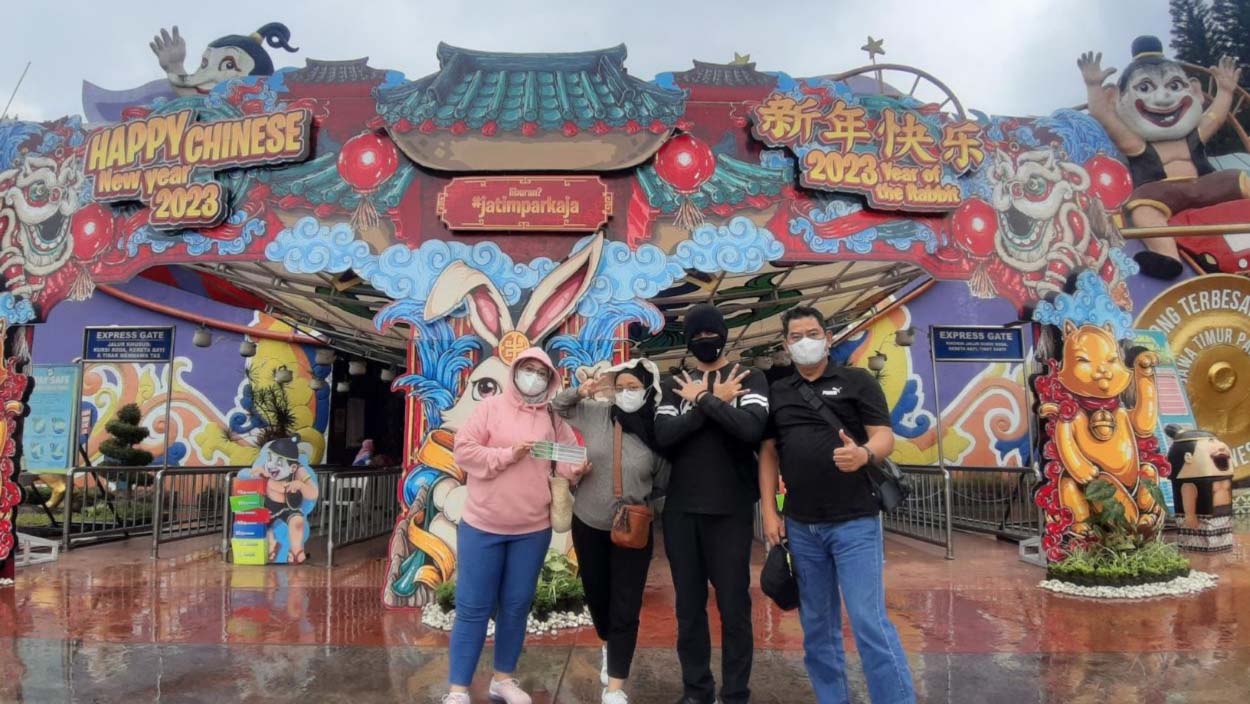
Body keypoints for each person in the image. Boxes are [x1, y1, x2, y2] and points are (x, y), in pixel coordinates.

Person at [758, 305, 915, 704]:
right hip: (801, 527)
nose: (805, 342)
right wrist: (770, 511)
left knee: (868, 622)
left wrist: (864, 454)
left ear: (828, 338)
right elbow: (770, 453)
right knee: (817, 629)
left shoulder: (857, 381)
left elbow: (884, 436)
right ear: (786, 345)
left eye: (812, 334)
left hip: (854, 523)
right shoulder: (779, 391)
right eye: (796, 337)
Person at [442, 348, 589, 704]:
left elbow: (567, 456)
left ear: (550, 379)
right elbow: (464, 451)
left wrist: (577, 468)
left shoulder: (551, 417)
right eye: (529, 369)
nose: (534, 376)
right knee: (473, 608)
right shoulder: (490, 408)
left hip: (532, 531)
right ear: (516, 370)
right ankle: (458, 690)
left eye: (542, 372)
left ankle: (503, 680)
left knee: (516, 606)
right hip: (482, 526)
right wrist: (508, 455)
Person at [654, 303, 768, 704]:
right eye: (698, 335)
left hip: (731, 511)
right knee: (688, 610)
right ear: (688, 340)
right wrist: (712, 403)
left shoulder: (749, 377)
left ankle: (736, 693)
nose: (706, 340)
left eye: (711, 333)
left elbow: (750, 429)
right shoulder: (674, 383)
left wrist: (702, 399)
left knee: (735, 608)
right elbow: (664, 437)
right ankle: (696, 691)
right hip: (681, 512)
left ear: (724, 335)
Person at [551, 358, 670, 704]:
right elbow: (558, 406)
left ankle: (615, 686)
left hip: (634, 529)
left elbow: (663, 480)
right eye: (620, 387)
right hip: (588, 523)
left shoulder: (657, 429)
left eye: (633, 387)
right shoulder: (597, 413)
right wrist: (581, 391)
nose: (626, 393)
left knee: (626, 605)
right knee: (598, 597)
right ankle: (609, 643)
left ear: (648, 390)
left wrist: (635, 500)